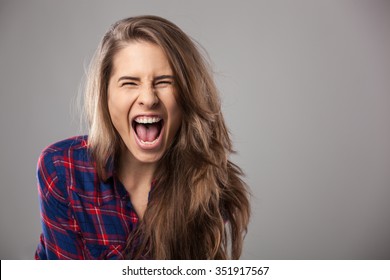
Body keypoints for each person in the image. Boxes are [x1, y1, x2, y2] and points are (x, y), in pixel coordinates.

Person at [35, 15, 250, 260]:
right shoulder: (63, 169)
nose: (148, 98)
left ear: (188, 96)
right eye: (130, 83)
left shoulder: (209, 185)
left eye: (164, 82)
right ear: (106, 96)